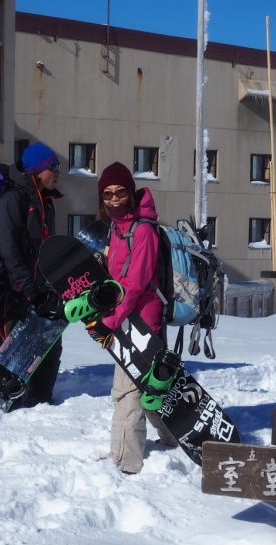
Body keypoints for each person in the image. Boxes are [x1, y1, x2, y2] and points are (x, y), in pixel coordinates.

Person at [85, 162, 178, 474]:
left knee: (128, 392)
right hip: (125, 319)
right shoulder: (118, 228)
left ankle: (127, 462)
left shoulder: (143, 231)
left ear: (131, 192)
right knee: (146, 387)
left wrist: (110, 322)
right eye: (107, 194)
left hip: (142, 323)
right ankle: (174, 434)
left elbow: (135, 284)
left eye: (120, 192)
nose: (113, 199)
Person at [0, 141, 64, 407]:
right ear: (37, 170)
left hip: (36, 293)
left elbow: (44, 250)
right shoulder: (12, 200)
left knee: (48, 348)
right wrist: (30, 290)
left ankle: (38, 404)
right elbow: (8, 252)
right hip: (8, 296)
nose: (57, 172)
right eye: (52, 167)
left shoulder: (45, 202)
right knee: (9, 355)